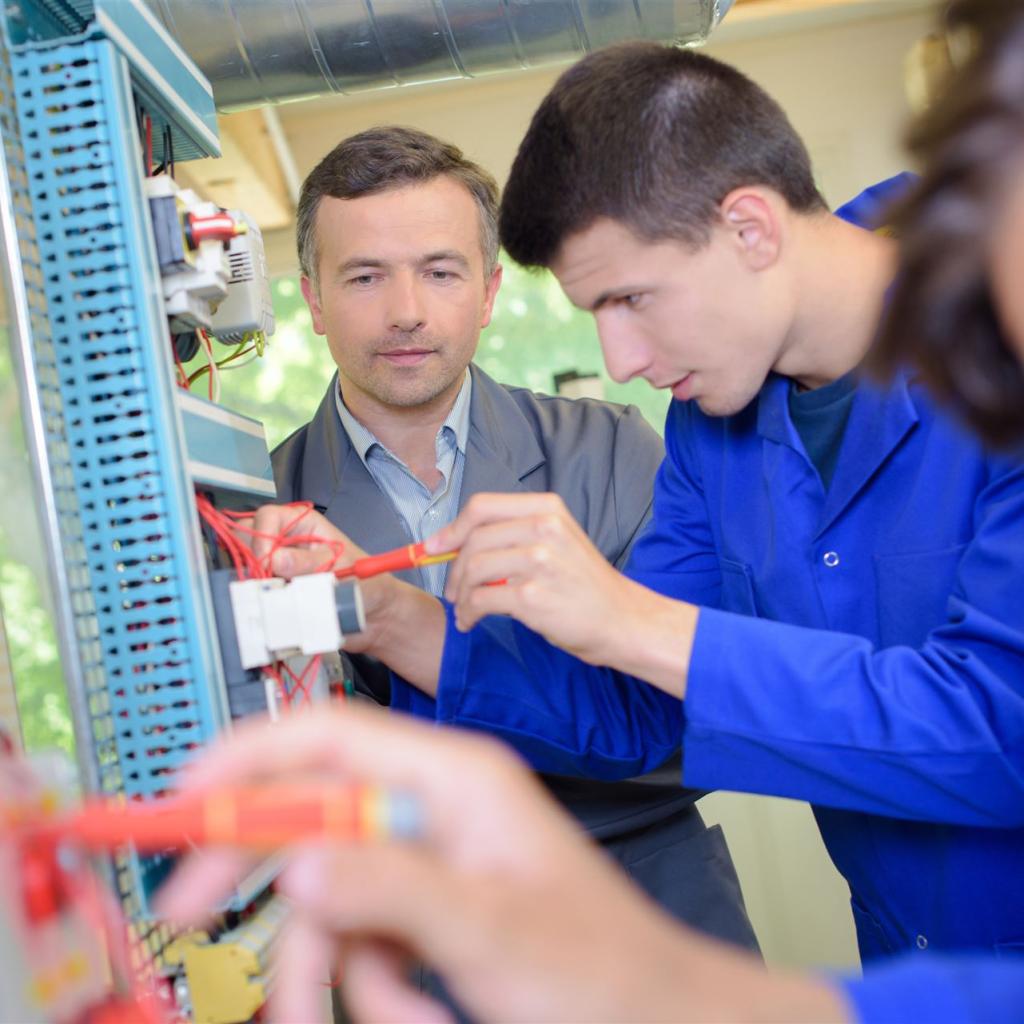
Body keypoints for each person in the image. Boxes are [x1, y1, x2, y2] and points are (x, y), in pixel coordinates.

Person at [160, 2, 1024, 1017]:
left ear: (747, 226)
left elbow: (996, 732)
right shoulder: (712, 424)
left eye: (631, 300)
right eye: (593, 313)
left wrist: (626, 617)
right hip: (908, 963)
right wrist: (402, 622)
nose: (619, 363)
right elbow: (632, 708)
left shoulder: (1000, 326)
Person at [269, 126, 757, 949]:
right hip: (408, 945)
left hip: (646, 913)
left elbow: (696, 728)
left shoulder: (613, 450)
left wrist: (410, 664)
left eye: (440, 271)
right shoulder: (262, 505)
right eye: (364, 277)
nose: (406, 312)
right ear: (313, 299)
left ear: (489, 292)